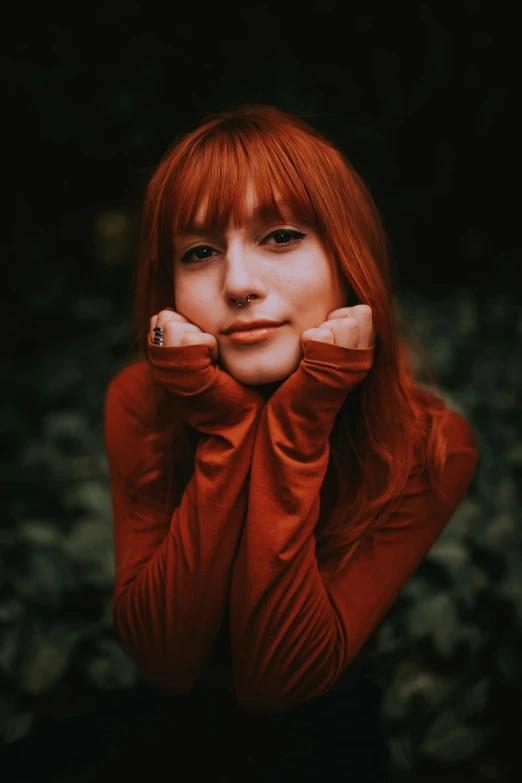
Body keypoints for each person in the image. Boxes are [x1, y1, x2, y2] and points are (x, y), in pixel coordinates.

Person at [2, 104, 479, 782]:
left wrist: (302, 419)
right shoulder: (142, 400)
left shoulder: (432, 443)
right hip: (170, 724)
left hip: (324, 730)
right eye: (199, 252)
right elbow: (164, 657)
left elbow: (277, 679)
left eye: (281, 236)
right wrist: (226, 427)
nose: (238, 283)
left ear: (349, 258)